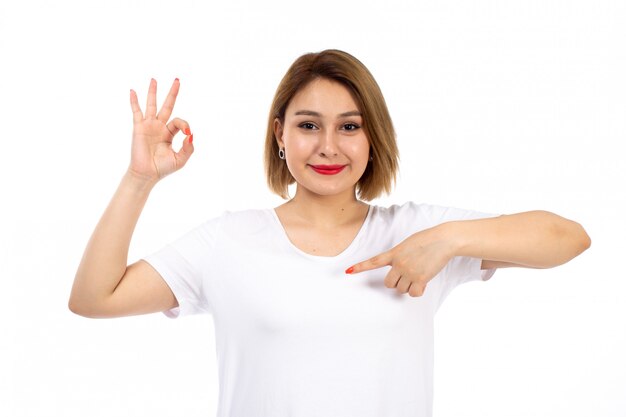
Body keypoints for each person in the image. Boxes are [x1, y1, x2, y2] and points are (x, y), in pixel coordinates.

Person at [69, 49, 591, 417]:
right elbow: (94, 297)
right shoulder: (228, 242)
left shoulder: (417, 232)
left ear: (373, 136)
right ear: (279, 134)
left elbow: (568, 238)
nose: (328, 147)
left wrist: (449, 240)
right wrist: (140, 180)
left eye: (349, 126)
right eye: (308, 125)